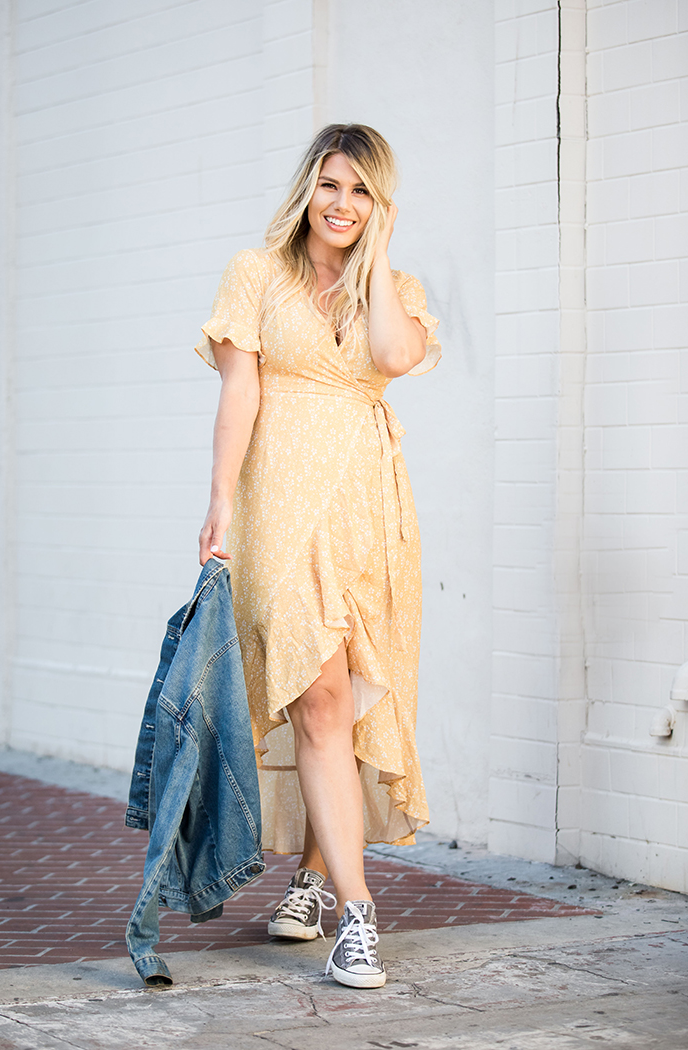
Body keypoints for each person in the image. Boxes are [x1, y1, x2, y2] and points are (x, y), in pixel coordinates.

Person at [194, 123, 441, 989]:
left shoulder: (394, 289)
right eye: (331, 185)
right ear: (308, 188)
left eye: (362, 190)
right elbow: (239, 393)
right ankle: (358, 915)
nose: (343, 204)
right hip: (278, 509)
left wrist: (379, 256)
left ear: (380, 204)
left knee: (344, 698)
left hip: (368, 514)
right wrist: (219, 503)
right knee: (317, 695)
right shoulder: (256, 274)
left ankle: (309, 879)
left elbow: (395, 357)